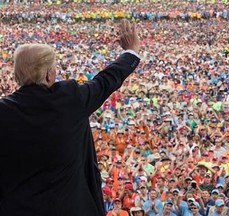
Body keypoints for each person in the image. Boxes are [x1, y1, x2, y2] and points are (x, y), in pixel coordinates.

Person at [0, 19, 141, 216]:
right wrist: (131, 51)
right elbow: (106, 80)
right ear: (49, 75)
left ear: (16, 76)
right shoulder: (70, 99)